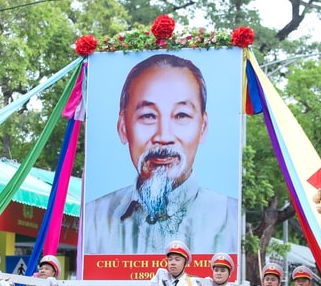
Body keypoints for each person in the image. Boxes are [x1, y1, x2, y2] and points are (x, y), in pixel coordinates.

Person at [84, 54, 238, 255]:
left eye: (181, 115)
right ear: (122, 126)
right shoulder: (94, 217)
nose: (164, 137)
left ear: (203, 127)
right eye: (148, 116)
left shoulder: (230, 217)